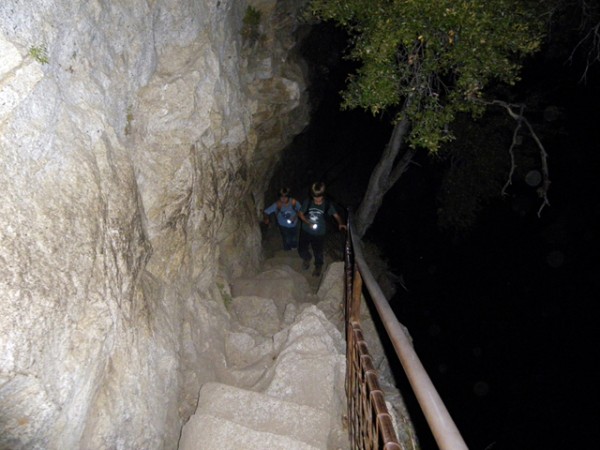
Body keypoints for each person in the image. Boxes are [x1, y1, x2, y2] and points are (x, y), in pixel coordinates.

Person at [297, 182, 346, 277]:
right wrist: (308, 223)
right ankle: (307, 258)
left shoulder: (327, 205)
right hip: (306, 230)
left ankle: (318, 266)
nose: (317, 200)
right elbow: (300, 214)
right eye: (315, 197)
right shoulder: (308, 202)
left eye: (319, 197)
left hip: (319, 233)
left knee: (318, 251)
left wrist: (340, 223)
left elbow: (336, 215)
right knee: (302, 249)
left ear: (323, 195)